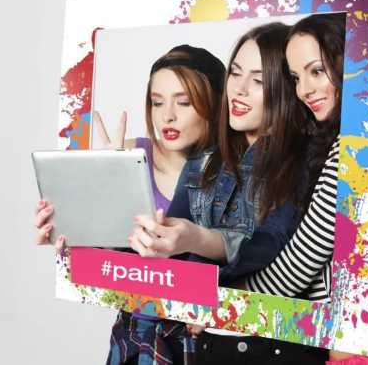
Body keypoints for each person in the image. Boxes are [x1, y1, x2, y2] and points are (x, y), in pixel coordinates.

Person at [132, 22, 328, 364]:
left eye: (258, 81)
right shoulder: (204, 161)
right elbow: (169, 252)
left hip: (277, 346)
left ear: (285, 88)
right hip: (210, 346)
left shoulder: (307, 158)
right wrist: (85, 234)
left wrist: (199, 248)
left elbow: (271, 246)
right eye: (235, 73)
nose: (239, 89)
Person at [34, 44, 226, 365]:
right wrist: (70, 229)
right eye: (157, 102)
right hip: (134, 334)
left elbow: (245, 258)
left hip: (205, 339)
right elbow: (105, 252)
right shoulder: (129, 154)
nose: (167, 115)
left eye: (183, 102)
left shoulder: (234, 169)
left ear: (215, 104)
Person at [244, 13, 368, 363]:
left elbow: (300, 263)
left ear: (350, 66)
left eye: (316, 71)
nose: (303, 90)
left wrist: (221, 302)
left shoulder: (363, 143)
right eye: (296, 77)